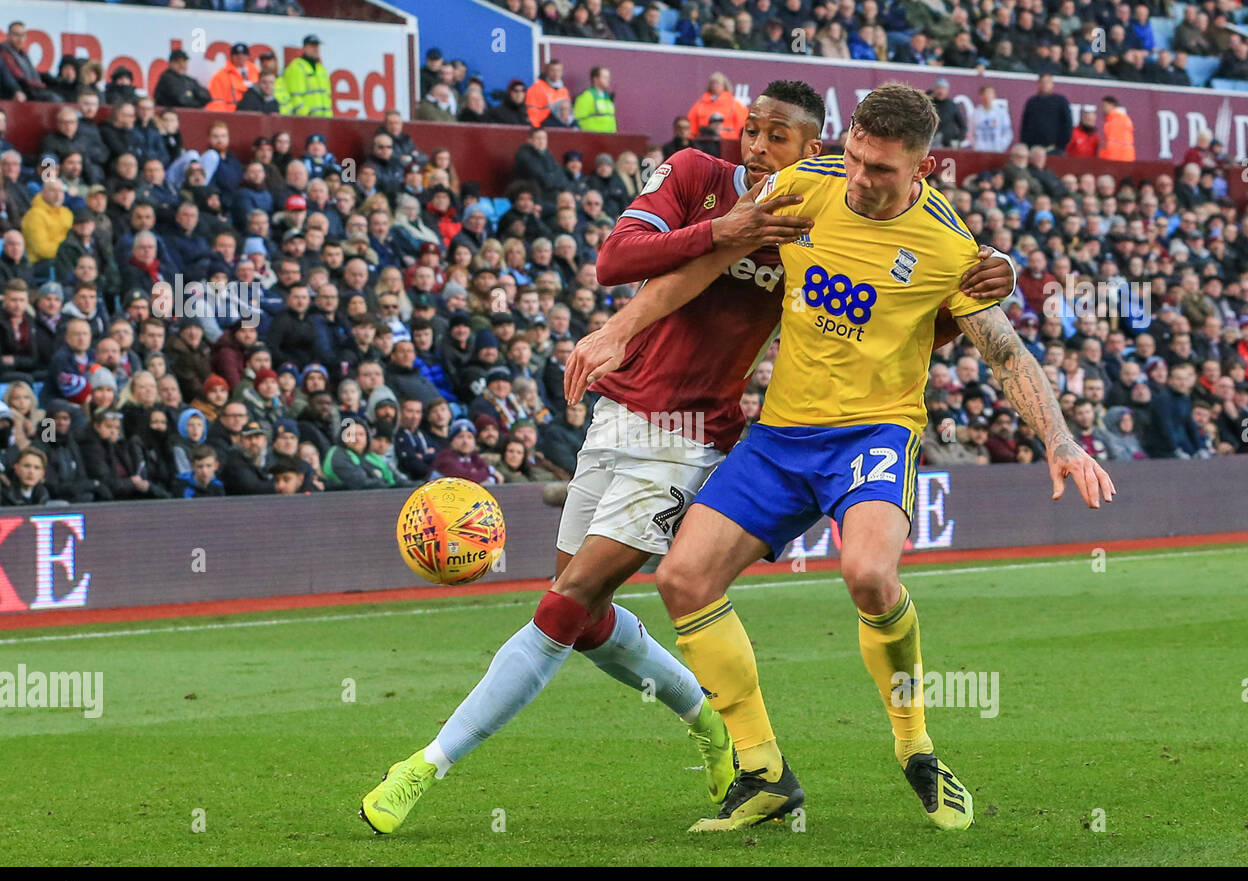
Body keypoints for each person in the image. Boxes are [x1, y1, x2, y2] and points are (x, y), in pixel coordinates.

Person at [359, 80, 1015, 834]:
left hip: (690, 433)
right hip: (616, 415)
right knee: (587, 614)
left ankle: (426, 764)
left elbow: (928, 277)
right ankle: (709, 722)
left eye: (780, 137)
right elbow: (616, 259)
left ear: (816, 153)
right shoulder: (698, 176)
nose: (760, 147)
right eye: (753, 130)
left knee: (562, 604)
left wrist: (999, 266)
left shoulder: (811, 212)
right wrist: (720, 233)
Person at [568, 82, 1110, 833]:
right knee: (684, 577)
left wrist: (1060, 439)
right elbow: (703, 262)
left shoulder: (948, 246)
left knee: (868, 572)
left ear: (921, 169)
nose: (859, 178)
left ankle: (915, 745)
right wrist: (619, 331)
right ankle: (763, 773)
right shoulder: (801, 189)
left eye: (881, 170)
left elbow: (1006, 350)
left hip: (873, 434)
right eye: (854, 158)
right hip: (781, 434)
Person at [284, 35, 333, 118]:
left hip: (325, 121)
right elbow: (295, 96)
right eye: (312, 46)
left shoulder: (321, 69)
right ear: (304, 48)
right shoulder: (297, 67)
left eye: (317, 46)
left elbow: (327, 96)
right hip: (308, 120)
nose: (316, 49)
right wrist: (306, 116)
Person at [208, 42, 257, 113]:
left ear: (248, 56)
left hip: (254, 114)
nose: (240, 57)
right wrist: (226, 118)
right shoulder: (220, 76)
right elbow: (217, 102)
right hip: (232, 114)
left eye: (244, 54)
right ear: (231, 56)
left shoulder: (256, 72)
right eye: (237, 55)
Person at [572, 66, 617, 133]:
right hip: (593, 139)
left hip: (609, 138)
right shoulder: (586, 97)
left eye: (608, 77)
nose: (608, 80)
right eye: (604, 77)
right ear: (595, 79)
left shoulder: (607, 97)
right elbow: (578, 120)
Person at [1098, 95, 1136, 162]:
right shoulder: (1121, 118)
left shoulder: (1116, 120)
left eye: (1104, 106)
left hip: (1117, 160)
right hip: (1124, 159)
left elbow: (1114, 144)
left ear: (1112, 105)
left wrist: (1109, 162)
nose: (1103, 109)